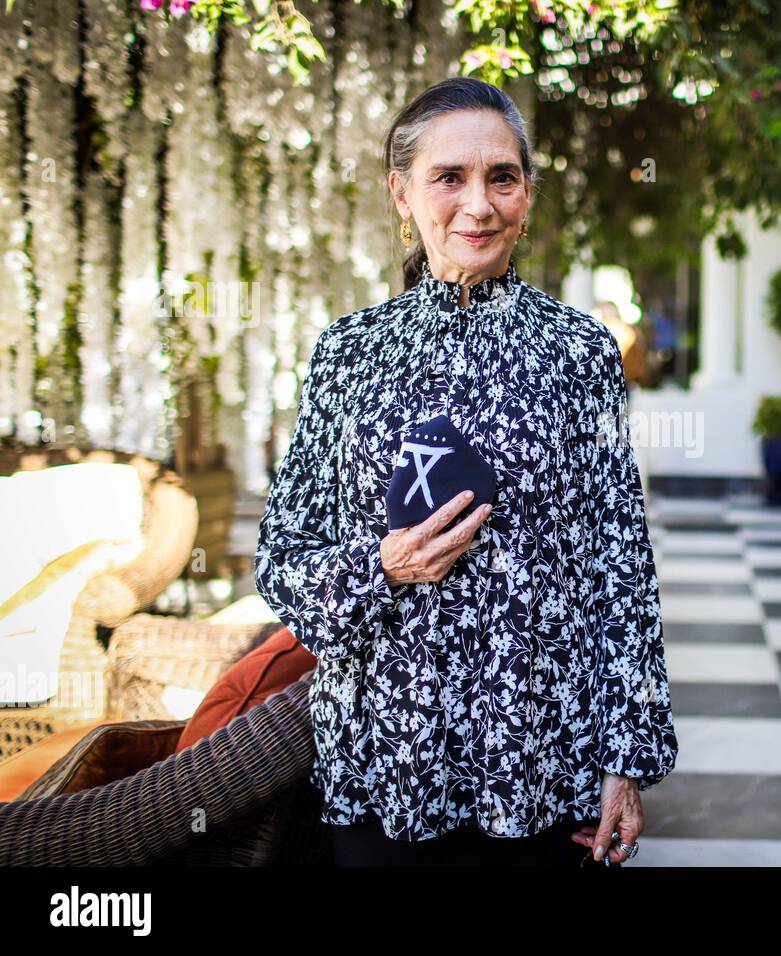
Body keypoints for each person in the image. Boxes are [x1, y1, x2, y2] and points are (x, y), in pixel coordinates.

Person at [254, 76, 678, 867]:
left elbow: (620, 565)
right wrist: (384, 567)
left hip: (543, 760)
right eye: (449, 178)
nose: (478, 206)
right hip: (387, 757)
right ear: (402, 194)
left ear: (526, 192)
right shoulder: (348, 353)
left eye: (502, 178)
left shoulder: (580, 353)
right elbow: (283, 558)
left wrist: (628, 756)